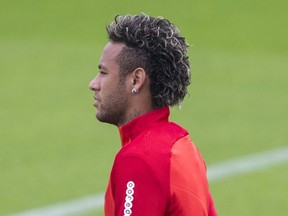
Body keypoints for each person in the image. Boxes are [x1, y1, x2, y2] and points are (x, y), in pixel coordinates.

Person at [89, 12, 217, 216]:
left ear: (136, 80)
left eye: (103, 73)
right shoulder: (183, 147)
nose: (93, 84)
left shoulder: (139, 159)